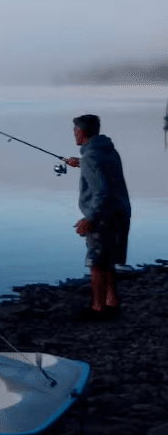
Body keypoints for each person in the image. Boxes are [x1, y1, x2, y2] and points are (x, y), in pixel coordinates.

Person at [64, 114, 131, 320]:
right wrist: (81, 163)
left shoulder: (92, 156)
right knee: (108, 260)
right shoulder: (107, 150)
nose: (74, 133)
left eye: (75, 130)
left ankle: (98, 309)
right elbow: (101, 170)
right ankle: (112, 303)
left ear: (82, 132)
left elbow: (102, 192)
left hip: (103, 216)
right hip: (120, 212)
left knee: (97, 263)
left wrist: (89, 219)